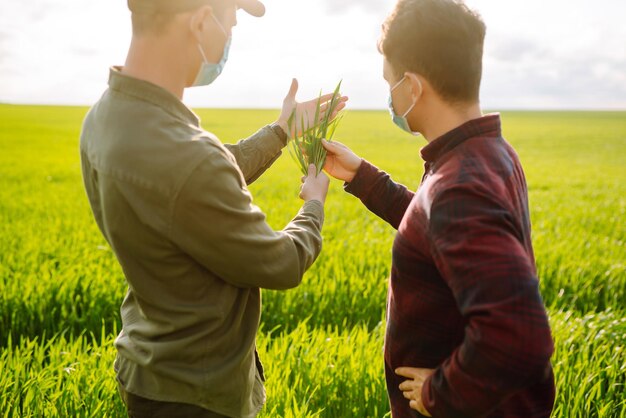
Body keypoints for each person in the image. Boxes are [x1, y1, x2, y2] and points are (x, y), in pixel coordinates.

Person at [79, 0, 347, 417]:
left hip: (147, 368)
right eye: (231, 25)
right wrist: (314, 204)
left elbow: (192, 179)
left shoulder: (104, 119)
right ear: (202, 22)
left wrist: (281, 130)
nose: (229, 40)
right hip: (198, 395)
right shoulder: (188, 157)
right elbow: (280, 262)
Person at [321, 0, 555, 416]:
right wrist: (363, 177)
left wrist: (439, 394)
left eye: (389, 82)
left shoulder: (459, 186)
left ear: (412, 87)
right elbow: (438, 230)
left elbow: (520, 336)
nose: (390, 97)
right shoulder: (486, 153)